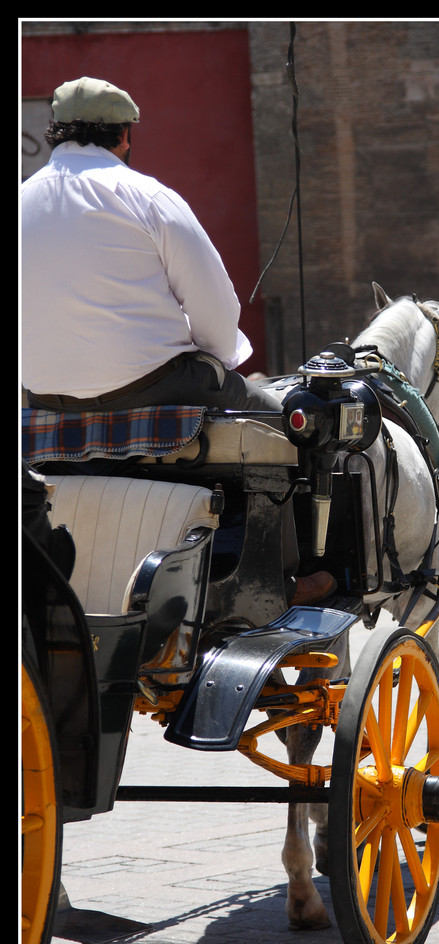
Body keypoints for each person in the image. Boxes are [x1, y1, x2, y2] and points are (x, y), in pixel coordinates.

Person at [22, 76, 334, 606]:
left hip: (45, 402)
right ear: (123, 137)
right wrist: (219, 363)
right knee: (284, 422)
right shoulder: (147, 196)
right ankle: (276, 578)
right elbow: (217, 306)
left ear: (54, 135)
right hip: (156, 388)